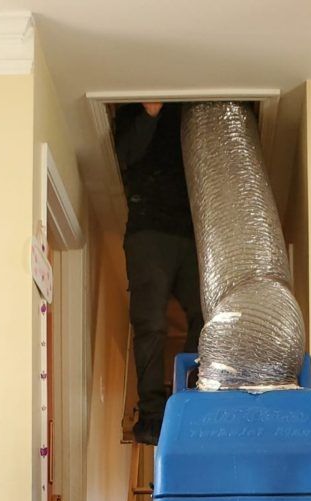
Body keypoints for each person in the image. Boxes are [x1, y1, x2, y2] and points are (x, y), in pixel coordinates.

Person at [115, 102, 202, 445]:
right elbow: (124, 154)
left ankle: (192, 395)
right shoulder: (131, 107)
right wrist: (149, 115)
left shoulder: (195, 107)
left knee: (207, 315)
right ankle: (152, 412)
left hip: (193, 231)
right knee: (151, 321)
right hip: (148, 228)